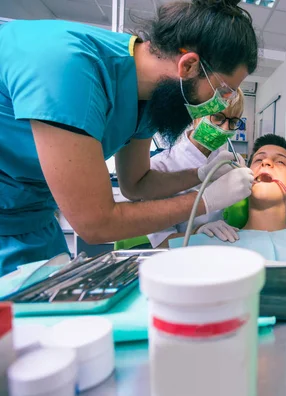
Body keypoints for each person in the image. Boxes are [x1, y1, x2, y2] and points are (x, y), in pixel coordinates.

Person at [0, 0, 258, 275]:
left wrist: (201, 174)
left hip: (34, 225)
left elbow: (136, 184)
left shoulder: (145, 92)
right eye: (223, 90)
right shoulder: (69, 70)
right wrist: (206, 200)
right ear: (189, 66)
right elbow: (95, 224)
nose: (220, 105)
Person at [172, 134, 286, 263]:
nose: (266, 162)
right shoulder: (210, 242)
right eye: (259, 160)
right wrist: (195, 233)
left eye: (280, 161)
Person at [148, 88, 245, 248]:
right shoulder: (161, 166)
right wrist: (197, 233)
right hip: (181, 258)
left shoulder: (229, 161)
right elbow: (160, 242)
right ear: (196, 115)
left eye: (233, 122)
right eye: (218, 117)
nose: (225, 128)